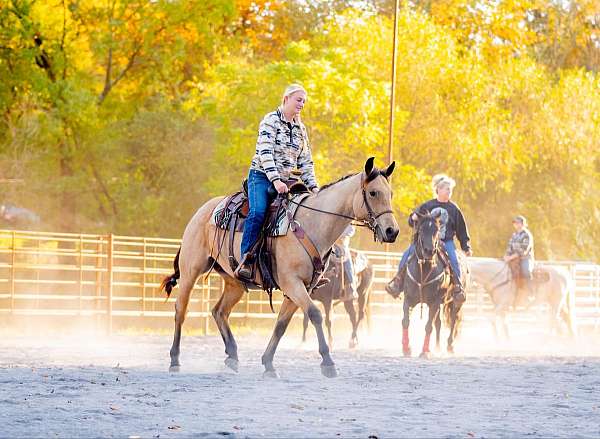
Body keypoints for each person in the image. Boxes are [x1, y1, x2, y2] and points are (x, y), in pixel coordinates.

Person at [234, 84, 319, 281]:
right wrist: (275, 179)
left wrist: (314, 187)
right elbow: (265, 152)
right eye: (299, 100)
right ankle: (246, 259)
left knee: (304, 213)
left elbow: (306, 161)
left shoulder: (300, 129)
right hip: (262, 176)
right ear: (286, 98)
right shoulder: (270, 121)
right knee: (258, 212)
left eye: (304, 101)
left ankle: (304, 265)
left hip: (287, 181)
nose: (302, 104)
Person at [385, 174, 472, 303]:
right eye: (447, 189)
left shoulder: (454, 209)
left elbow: (461, 230)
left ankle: (458, 287)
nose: (449, 192)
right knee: (407, 254)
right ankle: (398, 282)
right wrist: (413, 218)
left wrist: (466, 247)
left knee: (454, 260)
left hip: (445, 241)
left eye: (450, 189)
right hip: (426, 242)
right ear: (438, 189)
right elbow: (412, 220)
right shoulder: (427, 206)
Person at [504, 215, 534, 299]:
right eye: (514, 223)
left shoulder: (527, 235)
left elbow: (523, 250)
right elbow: (509, 247)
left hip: (525, 258)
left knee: (526, 271)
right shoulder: (514, 235)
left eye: (518, 223)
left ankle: (530, 292)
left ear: (522, 224)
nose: (516, 224)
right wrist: (506, 256)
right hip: (513, 258)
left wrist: (510, 258)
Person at [337, 224, 358, 301]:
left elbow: (351, 231)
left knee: (349, 267)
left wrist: (338, 236)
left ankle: (352, 288)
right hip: (332, 246)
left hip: (343, 249)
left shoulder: (349, 224)